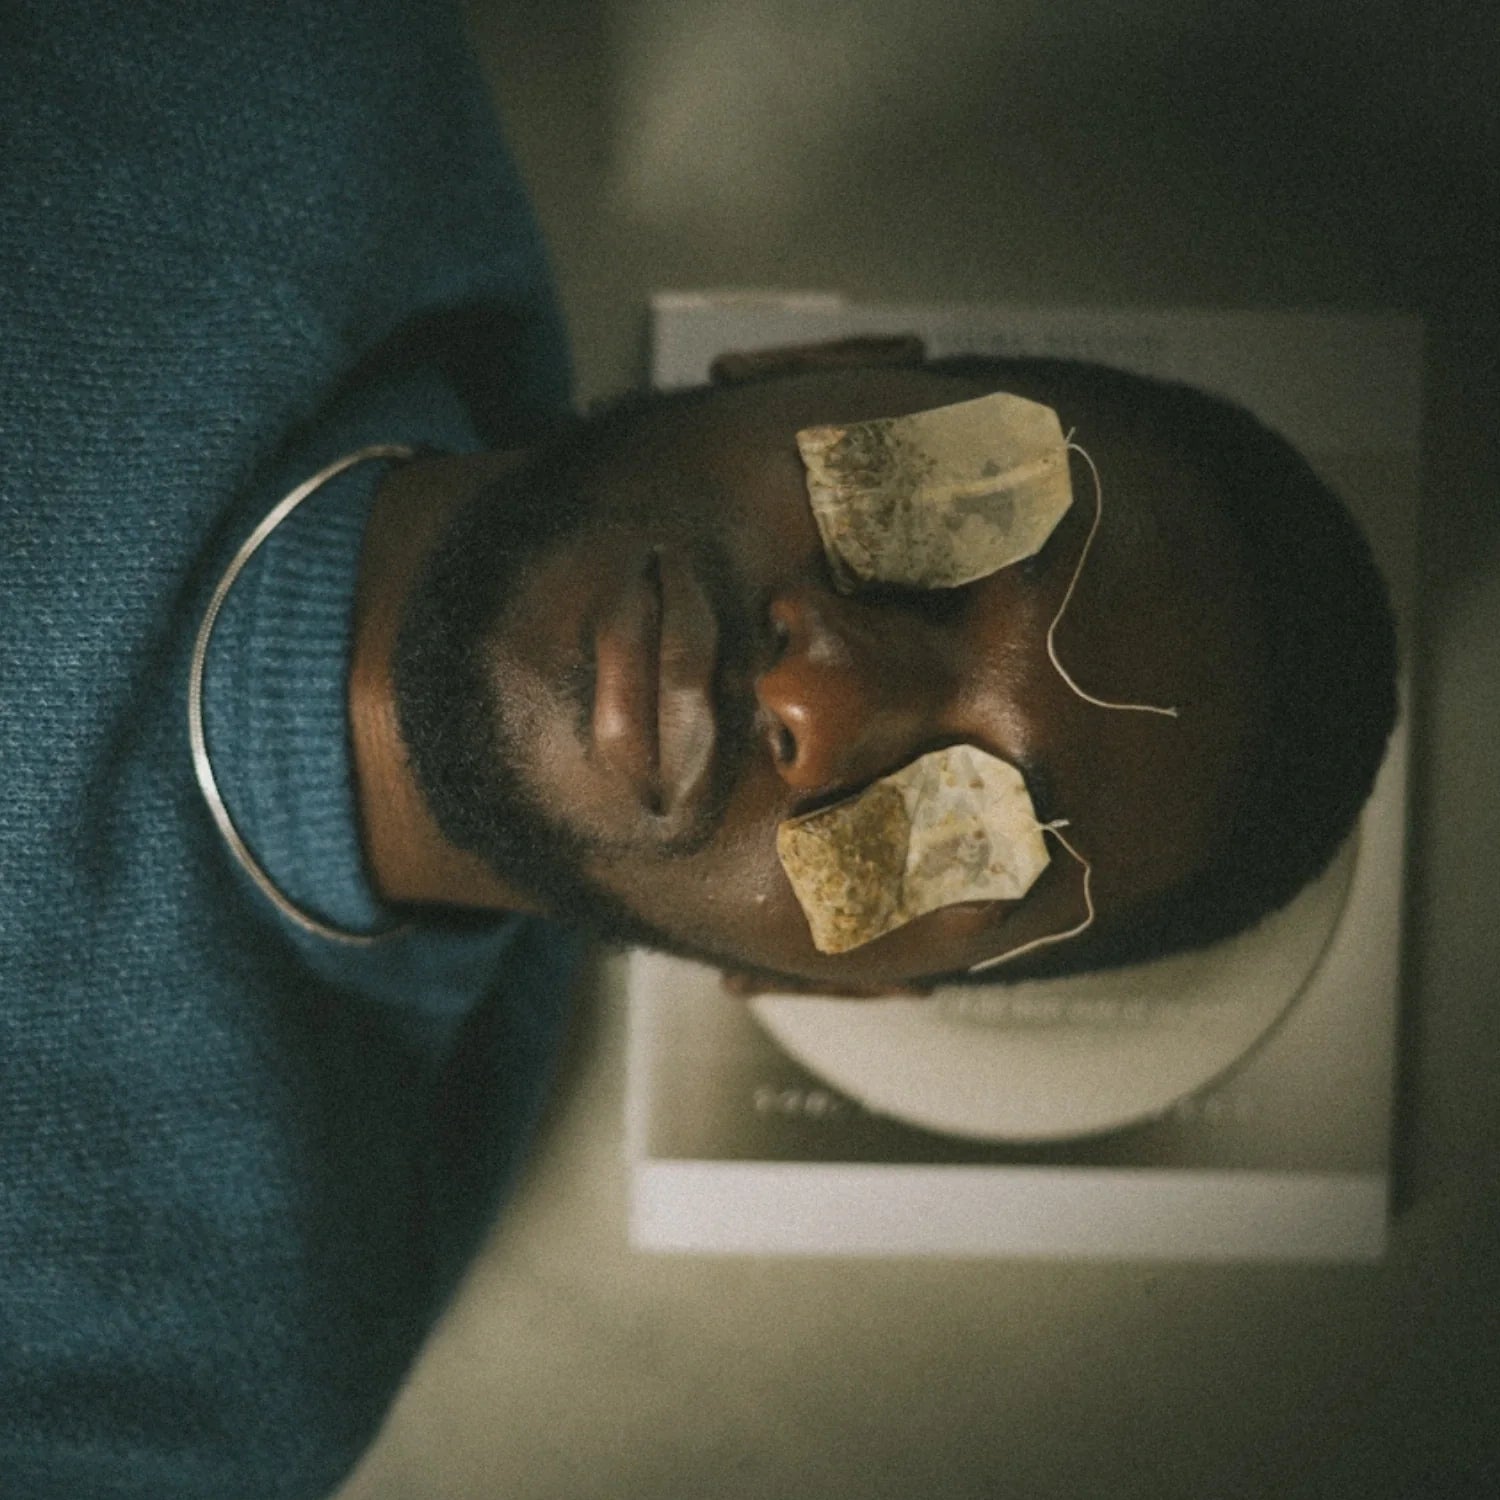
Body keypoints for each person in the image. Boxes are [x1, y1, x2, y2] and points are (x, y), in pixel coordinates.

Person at [1, 4, 1396, 1498]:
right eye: (944, 523)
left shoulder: (204, 1380)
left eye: (971, 828)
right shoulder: (248, 67)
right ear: (805, 359)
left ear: (831, 984)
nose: (825, 696)